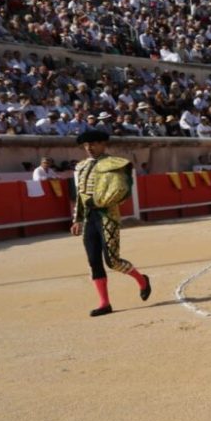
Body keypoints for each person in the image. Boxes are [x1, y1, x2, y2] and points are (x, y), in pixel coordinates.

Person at [70, 130, 151, 316]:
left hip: (108, 216)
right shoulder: (81, 167)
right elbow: (81, 196)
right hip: (90, 218)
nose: (89, 148)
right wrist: (77, 219)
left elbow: (120, 191)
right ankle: (104, 303)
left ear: (103, 144)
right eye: (86, 145)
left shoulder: (115, 164)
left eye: (93, 144)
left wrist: (97, 202)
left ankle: (142, 280)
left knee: (112, 261)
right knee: (93, 261)